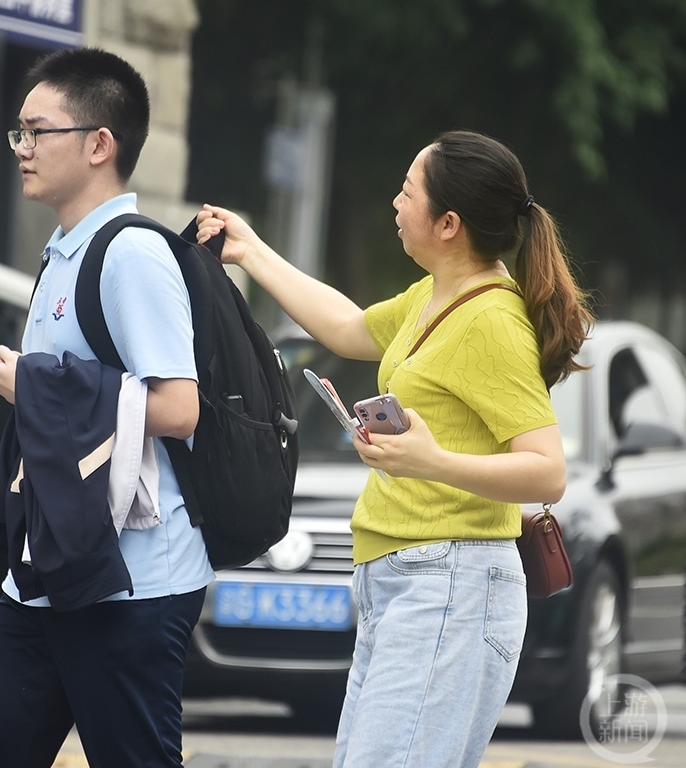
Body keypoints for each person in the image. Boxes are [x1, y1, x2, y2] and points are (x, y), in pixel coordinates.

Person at [196, 129, 592, 768]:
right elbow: (348, 328)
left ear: (449, 224)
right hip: (404, 582)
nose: (395, 204)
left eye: (408, 193)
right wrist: (252, 252)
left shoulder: (491, 319)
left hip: (450, 585)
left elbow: (548, 472)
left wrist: (430, 462)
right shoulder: (437, 294)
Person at [0, 48, 214, 768]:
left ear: (100, 144)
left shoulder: (131, 255)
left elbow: (180, 408)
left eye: (38, 132)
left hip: (129, 581)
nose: (23, 149)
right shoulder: (64, 252)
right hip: (49, 572)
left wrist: (37, 386)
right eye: (19, 133)